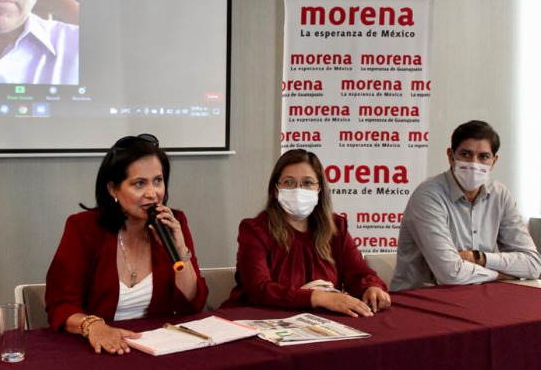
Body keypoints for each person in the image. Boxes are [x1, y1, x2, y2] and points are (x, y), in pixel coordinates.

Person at [45, 134, 208, 355]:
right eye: (139, 184)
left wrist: (180, 249)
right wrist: (94, 326)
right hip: (100, 350)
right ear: (113, 189)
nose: (152, 194)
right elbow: (61, 304)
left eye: (158, 181)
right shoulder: (84, 228)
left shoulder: (173, 222)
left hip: (157, 349)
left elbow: (191, 305)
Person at [224, 149, 390, 317]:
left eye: (308, 183)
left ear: (319, 189)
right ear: (276, 190)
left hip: (320, 321)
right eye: (289, 182)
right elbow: (259, 288)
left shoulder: (336, 227)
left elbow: (359, 274)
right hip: (260, 318)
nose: (298, 190)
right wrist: (318, 297)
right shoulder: (255, 230)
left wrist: (371, 287)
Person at [391, 120, 541, 291]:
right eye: (466, 154)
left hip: (478, 294)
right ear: (451, 156)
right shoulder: (428, 195)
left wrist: (478, 258)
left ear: (494, 161)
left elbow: (533, 264)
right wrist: (501, 275)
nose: (474, 163)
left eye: (483, 157)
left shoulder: (500, 195)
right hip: (419, 297)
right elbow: (450, 273)